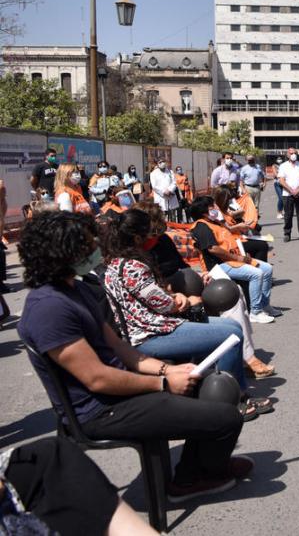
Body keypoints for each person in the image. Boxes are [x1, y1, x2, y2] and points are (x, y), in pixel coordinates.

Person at [17, 211, 252, 503]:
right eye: (87, 244)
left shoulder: (78, 289)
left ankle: (201, 466)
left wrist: (166, 371)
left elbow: (121, 349)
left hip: (120, 393)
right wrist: (163, 384)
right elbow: (97, 378)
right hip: (100, 411)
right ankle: (189, 481)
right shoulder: (49, 308)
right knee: (227, 418)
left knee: (216, 391)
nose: (96, 247)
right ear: (61, 252)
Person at [99, 210, 257, 408]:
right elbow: (163, 305)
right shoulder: (132, 266)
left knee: (231, 326)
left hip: (148, 329)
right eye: (150, 233)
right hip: (149, 335)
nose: (153, 237)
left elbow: (148, 297)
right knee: (230, 335)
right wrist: (185, 300)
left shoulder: (114, 263)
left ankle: (225, 390)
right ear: (138, 237)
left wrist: (173, 297)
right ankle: (234, 400)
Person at [133, 200, 274, 378]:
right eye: (154, 232)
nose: (158, 235)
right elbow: (148, 288)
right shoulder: (135, 255)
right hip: (170, 296)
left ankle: (247, 355)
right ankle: (241, 360)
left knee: (233, 292)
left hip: (185, 285)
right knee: (223, 315)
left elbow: (181, 265)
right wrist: (176, 293)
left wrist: (200, 276)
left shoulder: (163, 241)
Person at [1, 436, 159, 536]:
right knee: (181, 412)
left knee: (52, 458)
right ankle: (180, 483)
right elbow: (97, 383)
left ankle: (179, 483)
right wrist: (161, 385)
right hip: (97, 410)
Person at [188, 197, 279, 324]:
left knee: (267, 268)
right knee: (256, 274)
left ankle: (264, 305)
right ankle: (255, 312)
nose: (215, 208)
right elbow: (213, 249)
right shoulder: (201, 226)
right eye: (212, 207)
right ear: (204, 212)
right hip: (219, 265)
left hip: (234, 260)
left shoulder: (216, 222)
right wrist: (238, 258)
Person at [278, 147, 299, 242]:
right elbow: (281, 180)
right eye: (291, 153)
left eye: (294, 153)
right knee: (288, 215)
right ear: (287, 155)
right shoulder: (283, 166)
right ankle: (287, 234)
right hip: (287, 194)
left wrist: (298, 190)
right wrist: (291, 190)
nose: (293, 155)